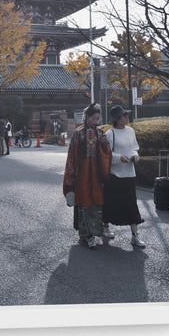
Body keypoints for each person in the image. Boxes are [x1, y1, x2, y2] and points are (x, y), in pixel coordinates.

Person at [62, 102, 112, 249]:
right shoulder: (78, 133)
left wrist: (104, 144)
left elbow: (107, 152)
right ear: (87, 117)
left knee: (96, 203)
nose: (96, 121)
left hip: (96, 174)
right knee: (83, 203)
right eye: (94, 118)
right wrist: (70, 176)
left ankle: (94, 233)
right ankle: (86, 235)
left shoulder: (100, 133)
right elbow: (71, 157)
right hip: (82, 175)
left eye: (98, 119)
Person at [102, 104, 146, 248]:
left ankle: (135, 236)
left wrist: (135, 155)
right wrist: (118, 157)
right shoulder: (110, 134)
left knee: (131, 204)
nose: (127, 117)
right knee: (110, 203)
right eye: (124, 115)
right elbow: (106, 155)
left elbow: (134, 148)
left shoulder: (131, 131)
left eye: (127, 115)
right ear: (117, 119)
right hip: (115, 175)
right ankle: (105, 227)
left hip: (129, 173)